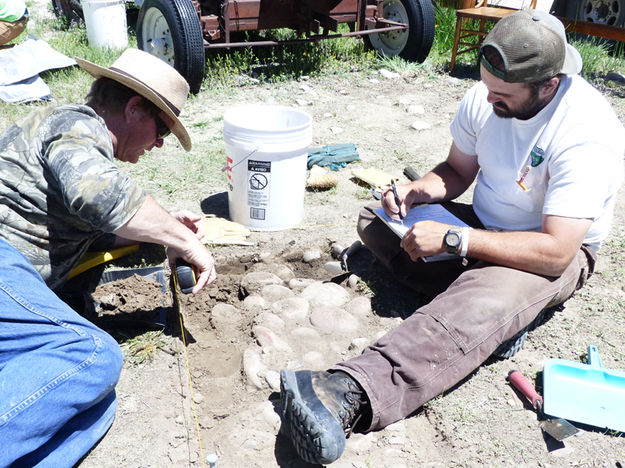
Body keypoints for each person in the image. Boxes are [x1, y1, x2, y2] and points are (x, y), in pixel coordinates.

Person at [279, 9, 625, 465]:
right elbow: (458, 171)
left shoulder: (587, 133)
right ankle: (496, 319)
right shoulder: (486, 96)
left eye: (502, 94)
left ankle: (349, 391)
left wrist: (454, 242)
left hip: (548, 250)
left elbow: (557, 250)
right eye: (486, 86)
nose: (488, 99)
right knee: (375, 219)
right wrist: (416, 190)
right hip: (481, 226)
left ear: (549, 84)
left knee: (482, 298)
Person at [0, 48, 216, 466]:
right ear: (135, 108)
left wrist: (166, 228)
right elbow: (98, 194)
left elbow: (93, 220)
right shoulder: (76, 124)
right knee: (91, 355)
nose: (157, 144)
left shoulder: (67, 136)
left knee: (91, 408)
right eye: (162, 131)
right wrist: (184, 241)